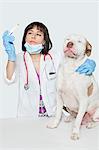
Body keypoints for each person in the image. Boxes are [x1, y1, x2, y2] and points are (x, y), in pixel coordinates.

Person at [2, 21, 96, 119]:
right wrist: (11, 57)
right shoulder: (18, 58)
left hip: (54, 113)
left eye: (38, 34)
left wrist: (89, 62)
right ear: (25, 38)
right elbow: (9, 79)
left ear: (44, 41)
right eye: (30, 33)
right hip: (27, 115)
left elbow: (74, 60)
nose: (33, 36)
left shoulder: (55, 56)